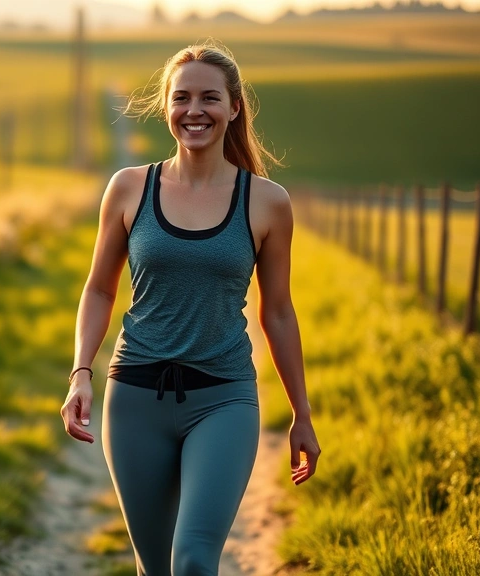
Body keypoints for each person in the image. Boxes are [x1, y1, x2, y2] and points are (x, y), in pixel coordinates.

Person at [59, 41, 321, 576]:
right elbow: (100, 290)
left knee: (195, 561)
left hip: (223, 399)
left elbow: (278, 313)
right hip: (135, 397)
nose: (194, 110)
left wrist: (301, 414)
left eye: (209, 98)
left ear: (233, 107)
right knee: (155, 566)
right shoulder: (130, 188)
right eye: (182, 98)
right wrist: (81, 372)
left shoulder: (268, 201)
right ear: (166, 107)